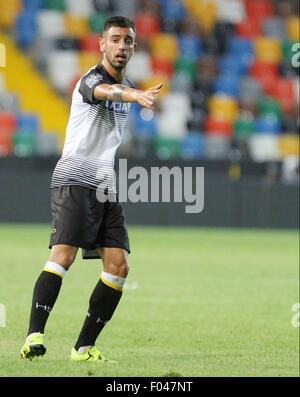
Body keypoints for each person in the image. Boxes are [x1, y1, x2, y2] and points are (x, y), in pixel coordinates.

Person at [20, 15, 162, 362]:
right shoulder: (91, 80)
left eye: (127, 41)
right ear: (102, 44)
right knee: (63, 255)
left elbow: (120, 95)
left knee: (118, 266)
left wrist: (133, 93)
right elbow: (106, 92)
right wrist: (134, 95)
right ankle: (33, 336)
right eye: (115, 39)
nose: (121, 46)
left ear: (133, 47)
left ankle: (83, 347)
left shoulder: (128, 85)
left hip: (104, 185)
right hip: (73, 179)